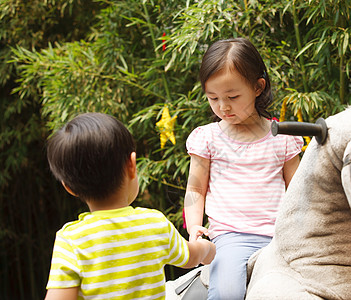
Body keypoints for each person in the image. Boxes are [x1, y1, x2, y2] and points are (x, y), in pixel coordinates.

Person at [44, 113, 215, 300]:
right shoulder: (153, 223)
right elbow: (190, 257)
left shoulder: (71, 240)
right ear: (132, 165)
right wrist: (207, 249)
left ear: (69, 188)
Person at [184, 38, 303, 300]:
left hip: (281, 237)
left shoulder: (282, 138)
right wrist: (194, 227)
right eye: (213, 98)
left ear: (258, 87)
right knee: (227, 293)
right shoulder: (208, 138)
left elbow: (298, 192)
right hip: (230, 237)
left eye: (232, 97)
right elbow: (195, 189)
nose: (223, 107)